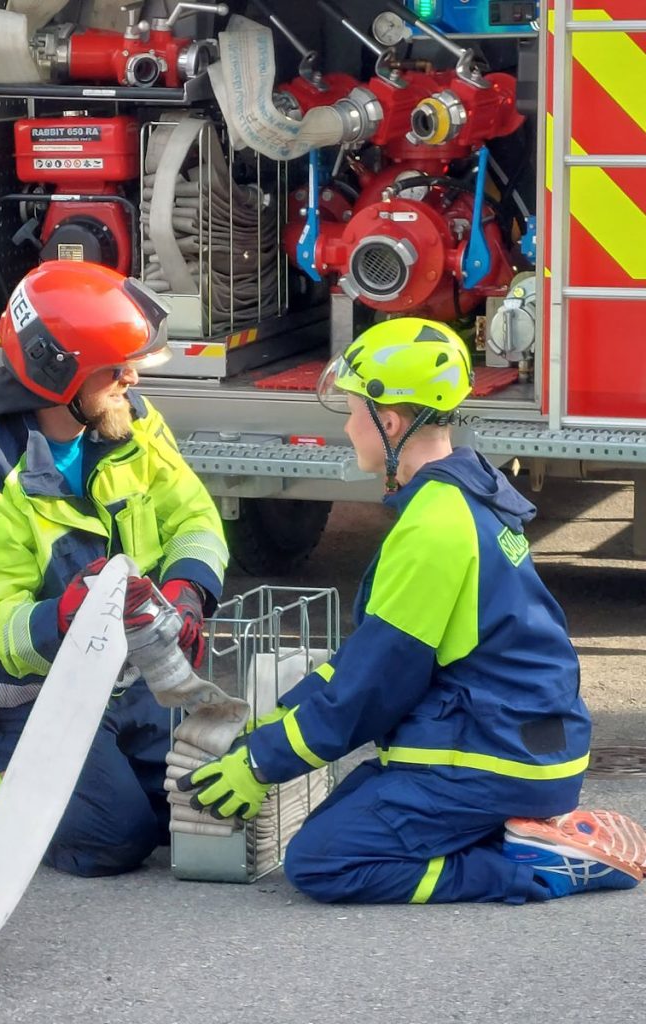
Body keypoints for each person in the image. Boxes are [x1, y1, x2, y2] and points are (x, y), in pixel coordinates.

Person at [179, 316, 646, 904]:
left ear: (390, 421)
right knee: (351, 803)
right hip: (519, 742)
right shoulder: (460, 497)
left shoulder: (434, 528)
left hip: (503, 758)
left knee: (324, 859)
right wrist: (273, 724)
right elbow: (365, 661)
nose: (349, 427)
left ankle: (534, 865)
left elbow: (372, 686)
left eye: (354, 412)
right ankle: (519, 835)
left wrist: (261, 765)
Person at [0, 260, 228, 877]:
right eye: (113, 368)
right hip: (16, 692)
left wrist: (187, 593)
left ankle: (64, 771)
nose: (131, 377)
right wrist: (65, 615)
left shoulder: (127, 420)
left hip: (117, 677)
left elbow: (195, 519)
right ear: (58, 374)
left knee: (178, 814)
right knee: (110, 840)